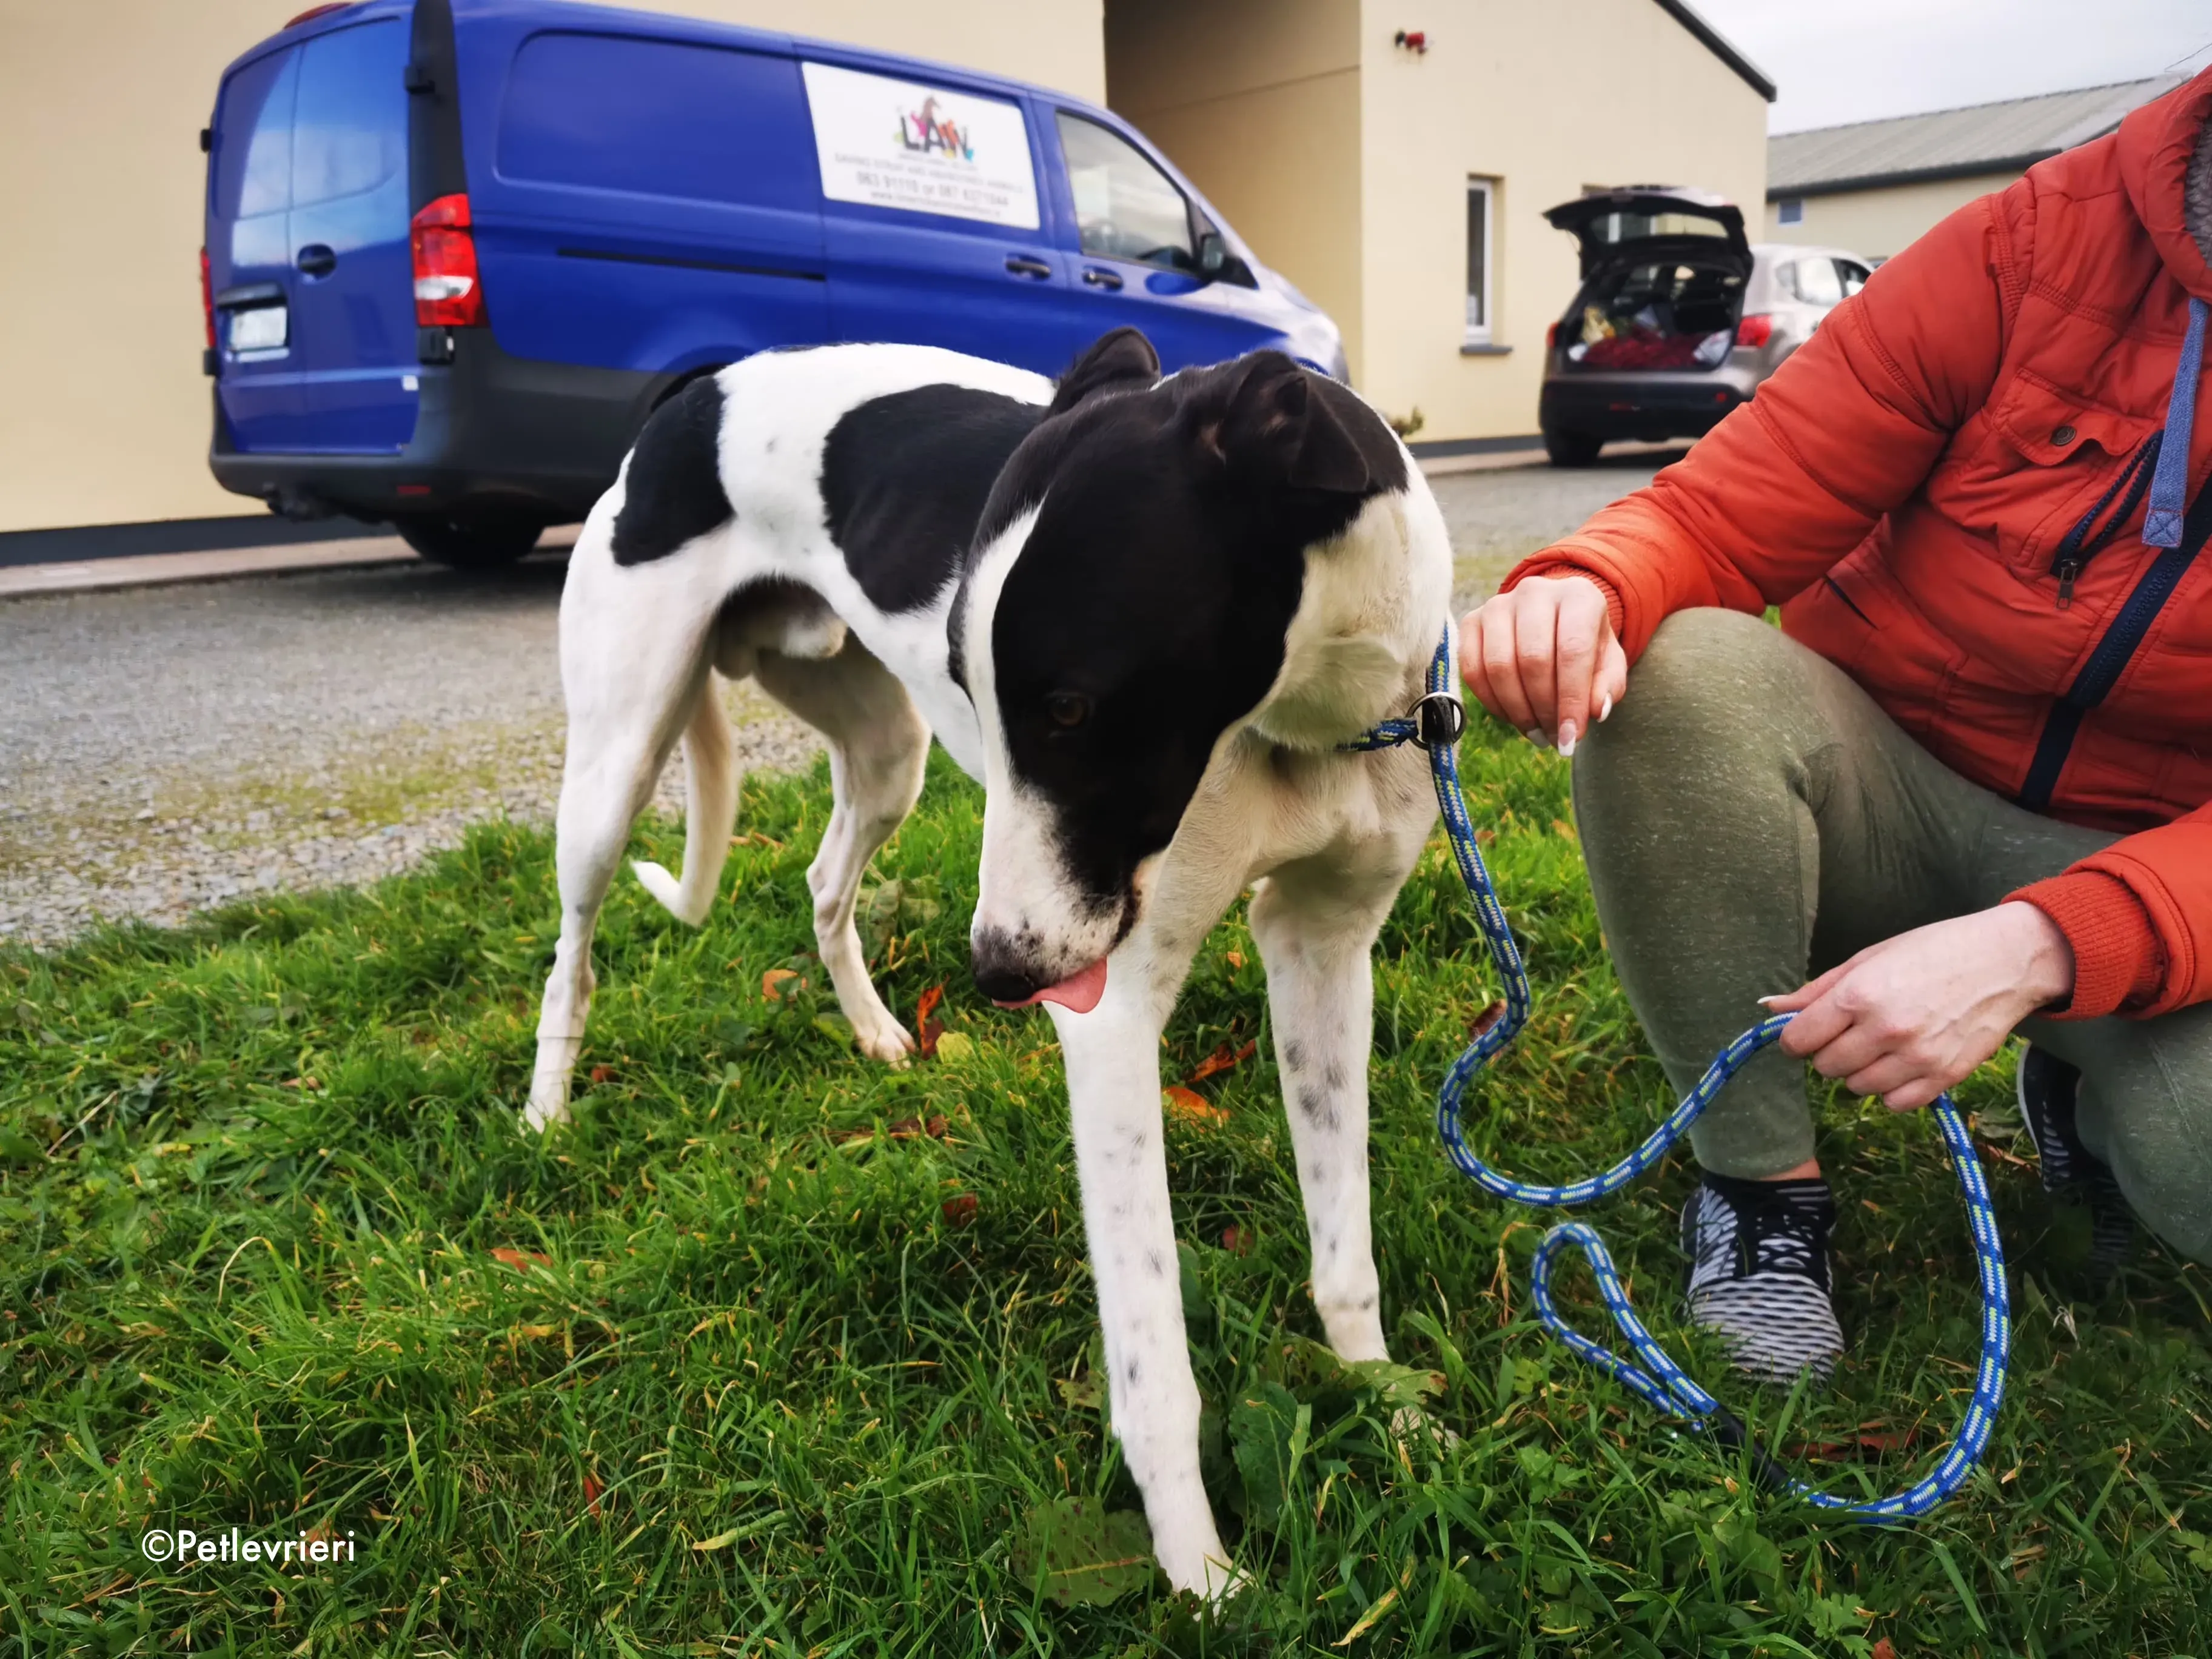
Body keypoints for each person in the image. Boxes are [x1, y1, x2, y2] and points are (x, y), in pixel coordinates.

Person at [1460, 69, 2212, 1381]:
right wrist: (1589, 584)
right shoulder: (2035, 242)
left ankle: (2089, 1099)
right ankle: (1760, 1193)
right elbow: (1727, 505)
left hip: (2151, 861)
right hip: (1885, 783)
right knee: (1684, 669)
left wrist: (2047, 943)